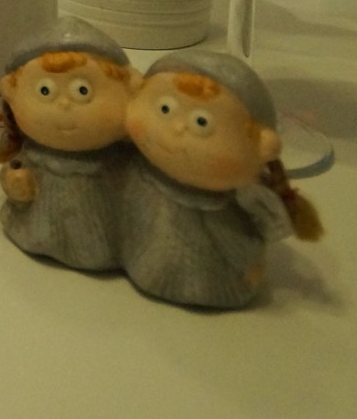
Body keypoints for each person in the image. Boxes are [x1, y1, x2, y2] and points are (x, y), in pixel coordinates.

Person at [119, 49, 321, 309]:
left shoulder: (239, 199)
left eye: (201, 122)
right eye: (165, 109)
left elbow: (242, 238)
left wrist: (247, 265)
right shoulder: (137, 171)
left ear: (262, 145)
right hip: (147, 261)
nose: (177, 128)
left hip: (212, 275)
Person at [0, 17, 141, 270]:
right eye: (45, 91)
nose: (64, 104)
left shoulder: (120, 160)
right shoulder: (33, 155)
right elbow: (17, 183)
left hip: (103, 241)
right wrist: (16, 188)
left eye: (82, 91)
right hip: (35, 230)